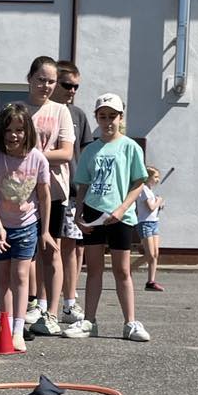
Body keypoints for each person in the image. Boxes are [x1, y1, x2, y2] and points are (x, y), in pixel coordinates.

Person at [65, 94, 150, 341]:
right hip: (93, 213)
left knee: (122, 270)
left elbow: (138, 183)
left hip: (120, 216)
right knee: (93, 269)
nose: (107, 121)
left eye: (112, 115)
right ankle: (89, 321)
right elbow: (82, 186)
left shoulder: (130, 147)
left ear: (120, 117)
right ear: (97, 118)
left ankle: (130, 323)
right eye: (102, 116)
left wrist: (122, 209)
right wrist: (79, 215)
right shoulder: (90, 149)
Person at [0, 104, 52, 354]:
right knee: (3, 278)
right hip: (0, 226)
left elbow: (44, 197)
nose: (14, 135)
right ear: (1, 131)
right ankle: (6, 327)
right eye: (9, 130)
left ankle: (19, 330)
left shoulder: (38, 159)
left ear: (27, 132)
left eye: (20, 130)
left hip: (27, 226)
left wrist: (44, 230)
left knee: (21, 276)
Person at [23, 56, 75, 338]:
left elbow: (66, 152)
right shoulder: (17, 110)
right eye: (41, 79)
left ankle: (52, 313)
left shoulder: (60, 111)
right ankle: (30, 305)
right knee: (26, 253)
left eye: (51, 81)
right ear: (29, 78)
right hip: (21, 193)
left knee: (51, 250)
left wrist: (32, 157)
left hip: (54, 192)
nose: (45, 85)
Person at [51, 60, 92, 325]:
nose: (72, 90)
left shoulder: (78, 115)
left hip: (74, 192)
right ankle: (43, 302)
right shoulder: (45, 112)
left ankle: (69, 301)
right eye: (67, 85)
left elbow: (87, 153)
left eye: (76, 86)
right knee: (51, 247)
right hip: (49, 190)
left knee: (73, 249)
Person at [134, 166, 165, 290]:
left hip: (154, 222)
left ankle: (151, 281)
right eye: (155, 177)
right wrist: (158, 201)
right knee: (150, 254)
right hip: (145, 223)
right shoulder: (144, 189)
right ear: (148, 177)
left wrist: (160, 205)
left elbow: (154, 208)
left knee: (155, 254)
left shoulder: (150, 190)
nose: (157, 179)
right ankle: (129, 270)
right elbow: (150, 207)